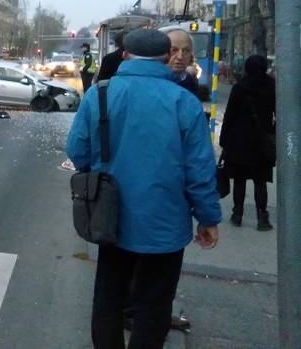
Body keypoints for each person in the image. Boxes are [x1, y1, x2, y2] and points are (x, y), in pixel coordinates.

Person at [66, 28, 221, 349]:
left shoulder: (100, 95)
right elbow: (200, 169)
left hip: (111, 217)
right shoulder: (185, 102)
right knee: (154, 306)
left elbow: (78, 151)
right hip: (166, 223)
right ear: (166, 58)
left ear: (124, 56)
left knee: (108, 301)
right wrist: (207, 218)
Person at [219, 54, 275, 231]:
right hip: (262, 142)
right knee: (260, 182)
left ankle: (238, 213)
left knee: (240, 180)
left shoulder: (240, 87)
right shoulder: (271, 86)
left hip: (239, 141)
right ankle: (262, 216)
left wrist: (224, 140)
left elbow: (229, 116)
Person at [166, 29, 200, 98]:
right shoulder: (150, 82)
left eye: (186, 51)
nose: (180, 57)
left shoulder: (192, 83)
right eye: (174, 50)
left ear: (191, 54)